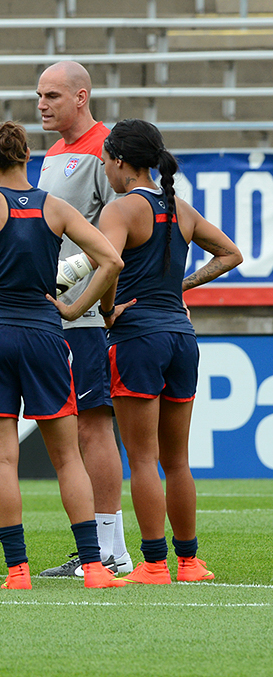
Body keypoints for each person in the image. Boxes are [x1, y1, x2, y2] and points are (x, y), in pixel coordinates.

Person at [0, 121, 124, 590]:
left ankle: (17, 571)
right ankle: (95, 568)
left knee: (2, 460)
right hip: (44, 332)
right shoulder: (55, 207)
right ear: (28, 157)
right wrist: (78, 308)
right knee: (67, 458)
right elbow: (112, 260)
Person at [96, 119, 242, 585]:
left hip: (138, 338)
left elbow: (110, 264)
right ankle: (190, 562)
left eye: (105, 160)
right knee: (176, 459)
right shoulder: (180, 208)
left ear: (120, 161)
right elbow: (230, 254)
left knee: (141, 459)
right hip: (181, 337)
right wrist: (180, 287)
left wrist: (105, 309)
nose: (104, 167)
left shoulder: (120, 210)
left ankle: (154, 564)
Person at [35, 61, 134, 577]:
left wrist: (70, 283)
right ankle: (102, 548)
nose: (42, 104)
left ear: (82, 95)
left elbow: (117, 235)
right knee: (76, 430)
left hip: (86, 312)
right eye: (38, 95)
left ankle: (112, 551)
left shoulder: (104, 149)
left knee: (94, 427)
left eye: (52, 95)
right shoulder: (52, 153)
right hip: (55, 313)